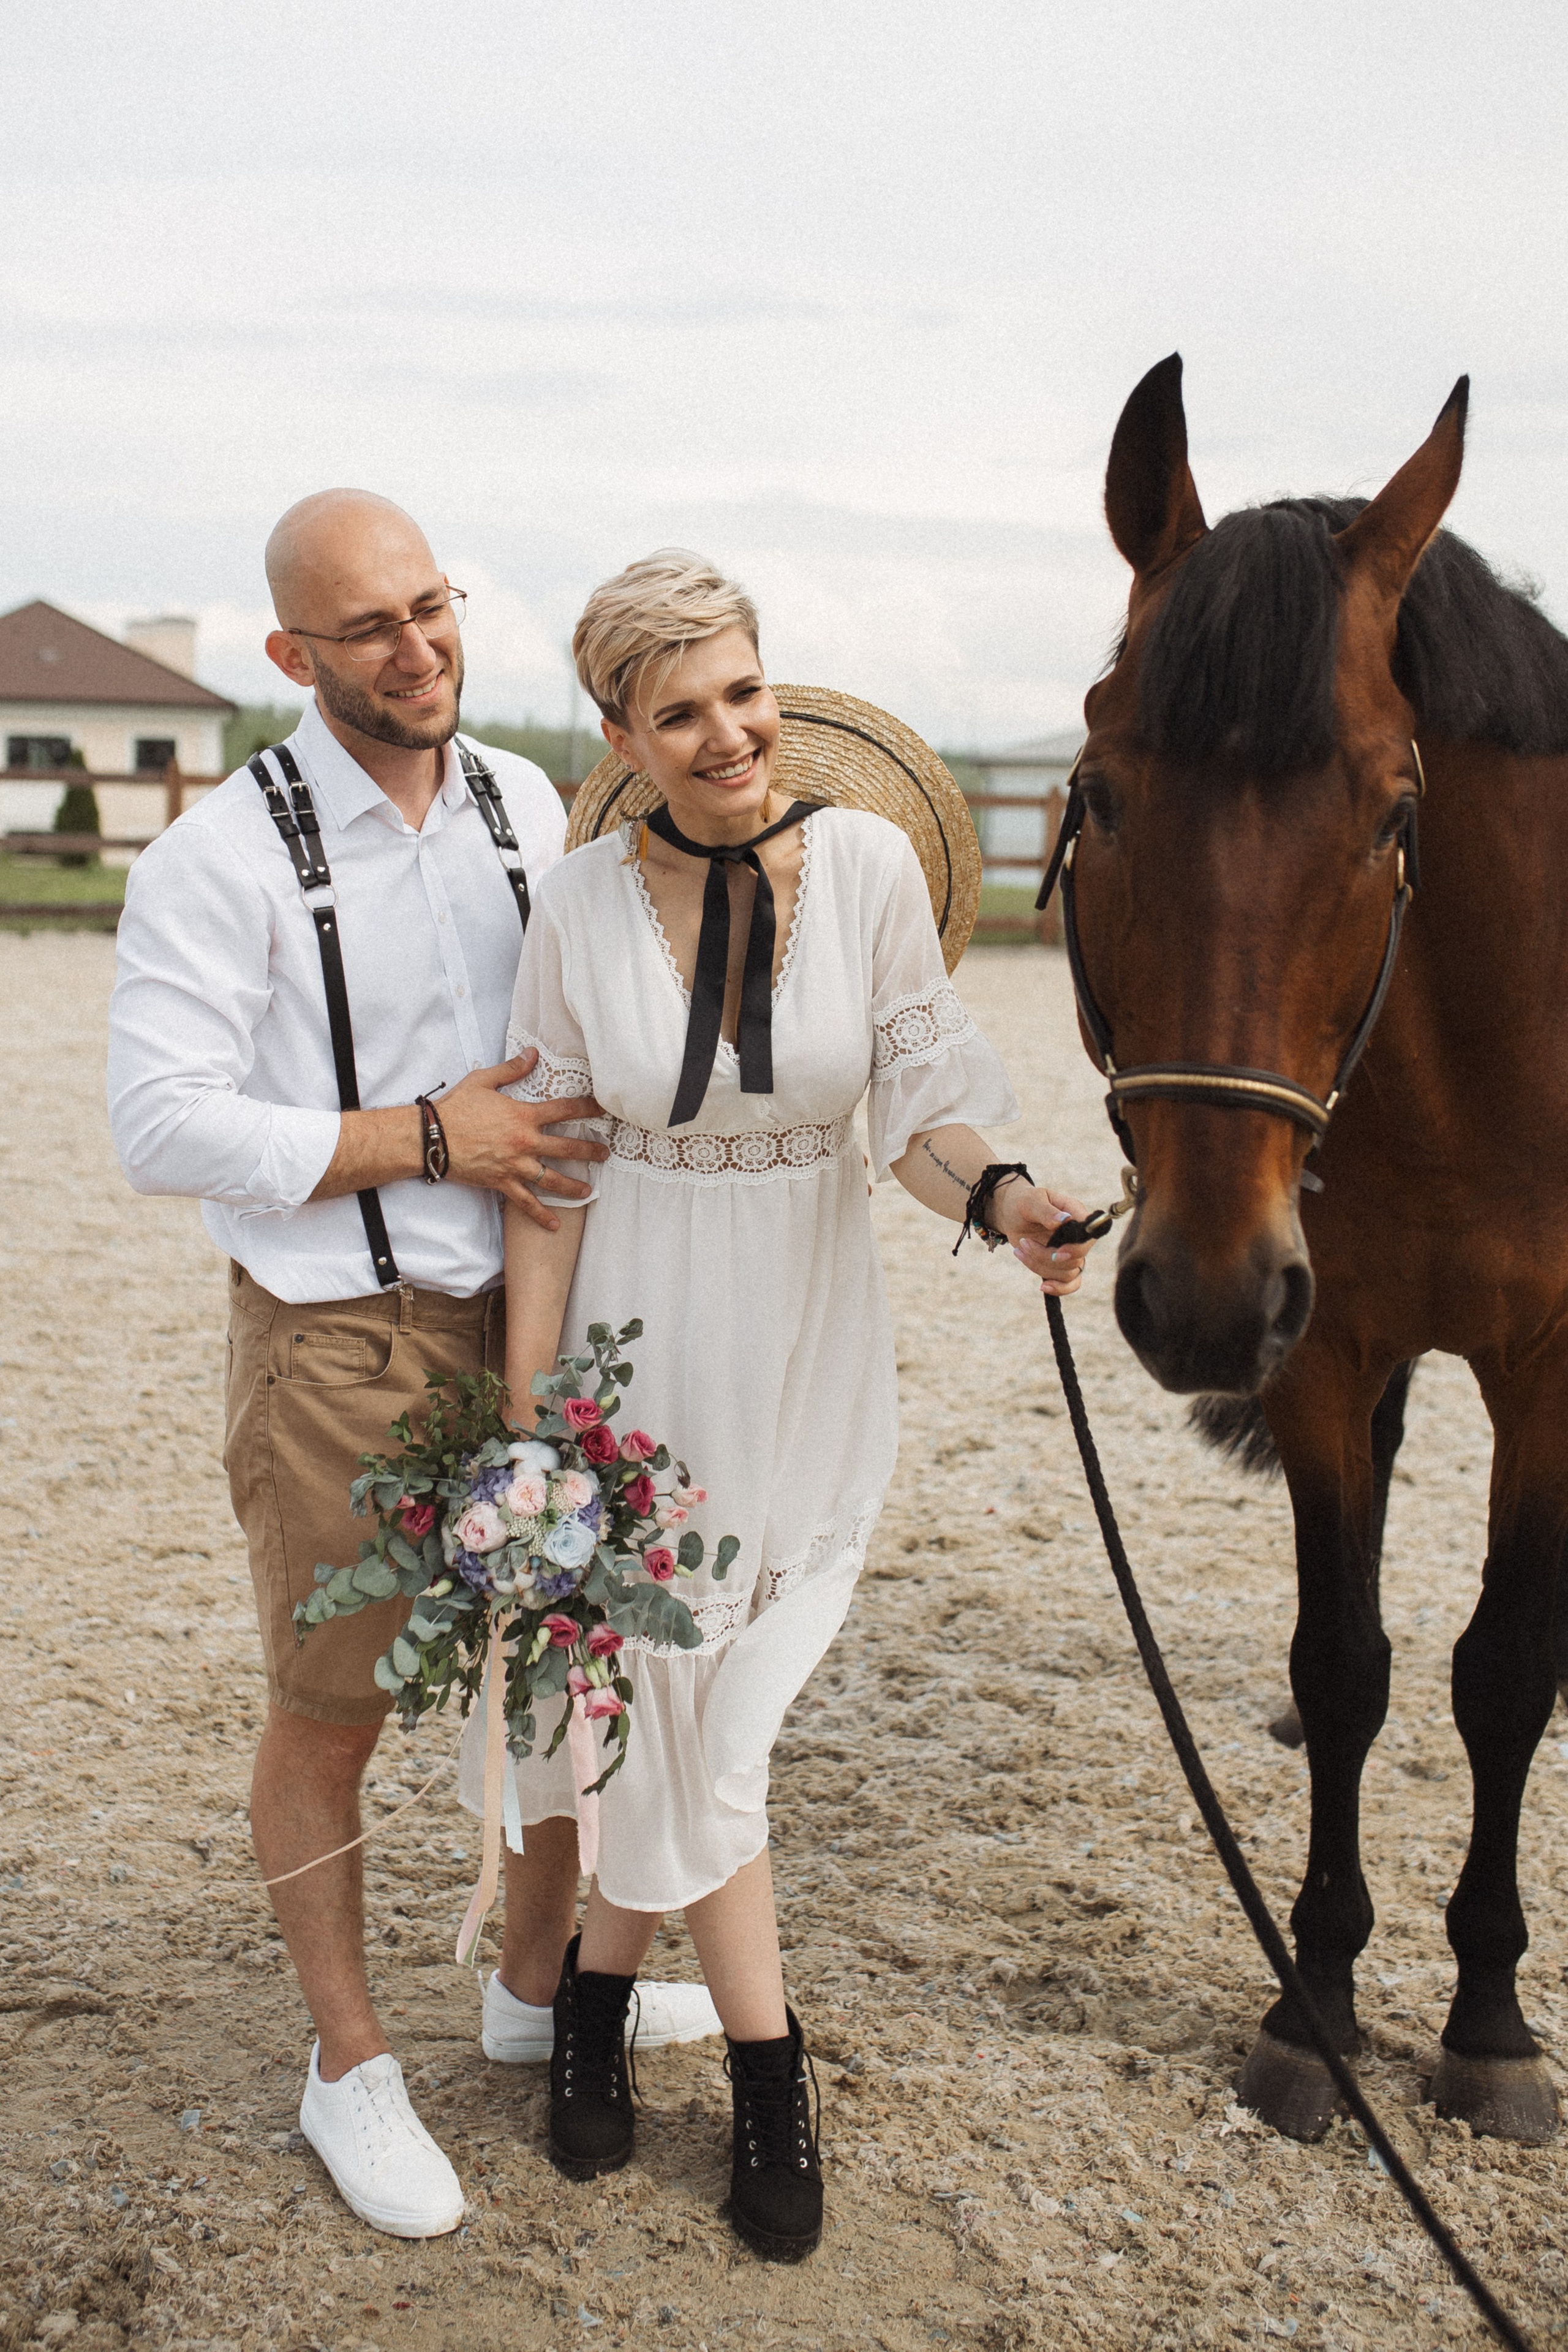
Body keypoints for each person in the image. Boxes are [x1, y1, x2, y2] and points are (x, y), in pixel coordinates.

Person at [457, 550, 1094, 2261]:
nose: (730, 732)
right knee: (675, 1709)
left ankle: (600, 1989)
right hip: (634, 1354)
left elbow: (916, 1101)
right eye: (683, 711)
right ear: (624, 734)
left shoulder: (872, 865)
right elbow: (552, 1181)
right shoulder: (578, 909)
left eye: (744, 690)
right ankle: (764, 2067)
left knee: (721, 1710)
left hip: (813, 1350)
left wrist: (1010, 1200)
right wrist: (536, 1428)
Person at [105, 492, 719, 2245]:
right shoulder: (215, 857)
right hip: (340, 1342)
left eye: (432, 608)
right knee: (335, 1708)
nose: (417, 647)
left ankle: (531, 1997)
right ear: (295, 657)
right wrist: (426, 1133)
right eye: (369, 627)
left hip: (543, 1319)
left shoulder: (530, 803)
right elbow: (157, 1123)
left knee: (567, 1687)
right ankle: (346, 2065)